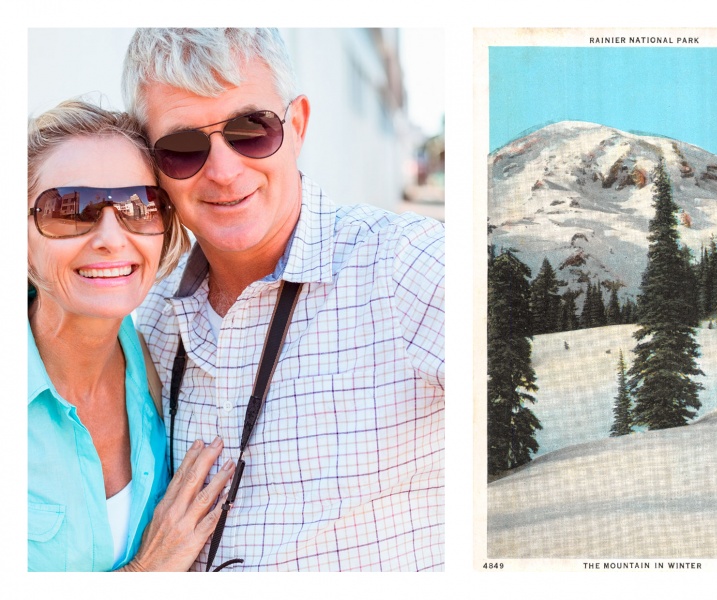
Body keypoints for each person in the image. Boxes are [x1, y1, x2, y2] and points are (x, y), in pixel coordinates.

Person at [124, 28, 445, 571]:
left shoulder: (405, 266)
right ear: (155, 170)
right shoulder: (151, 317)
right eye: (183, 148)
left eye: (251, 130)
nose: (224, 172)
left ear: (296, 126)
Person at [27, 100, 235, 571]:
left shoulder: (157, 366)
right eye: (71, 209)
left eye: (137, 208)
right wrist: (146, 572)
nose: (111, 237)